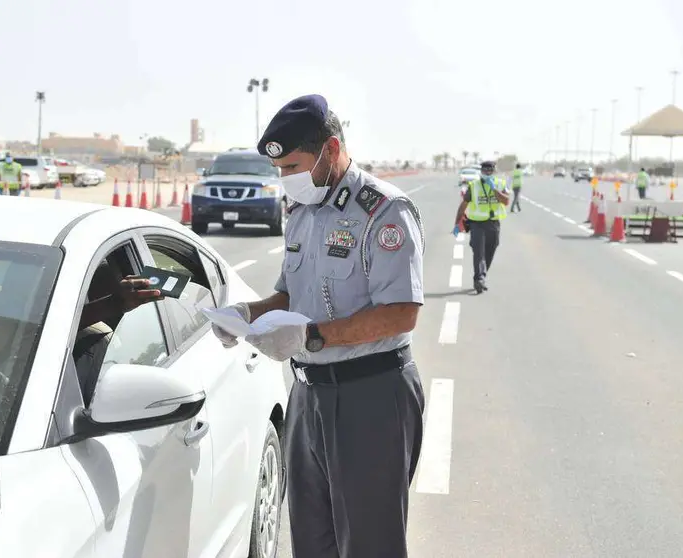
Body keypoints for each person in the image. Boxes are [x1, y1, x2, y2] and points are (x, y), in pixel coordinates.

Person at [211, 94, 426, 558]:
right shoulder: (302, 215)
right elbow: (290, 295)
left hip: (371, 396)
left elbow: (401, 312)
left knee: (370, 545)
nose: (286, 179)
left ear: (330, 150)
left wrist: (311, 336)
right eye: (280, 170)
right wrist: (249, 314)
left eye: (293, 166)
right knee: (311, 542)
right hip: (308, 395)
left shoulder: (384, 211)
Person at [453, 160, 510, 294]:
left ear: (494, 171)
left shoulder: (500, 184)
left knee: (490, 251)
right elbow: (464, 204)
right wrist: (457, 223)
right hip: (476, 224)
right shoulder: (474, 186)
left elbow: (506, 201)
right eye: (485, 171)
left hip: (493, 223)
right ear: (481, 171)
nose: (487, 173)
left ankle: (481, 276)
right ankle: (479, 279)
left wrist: (494, 189)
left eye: (490, 171)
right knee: (479, 252)